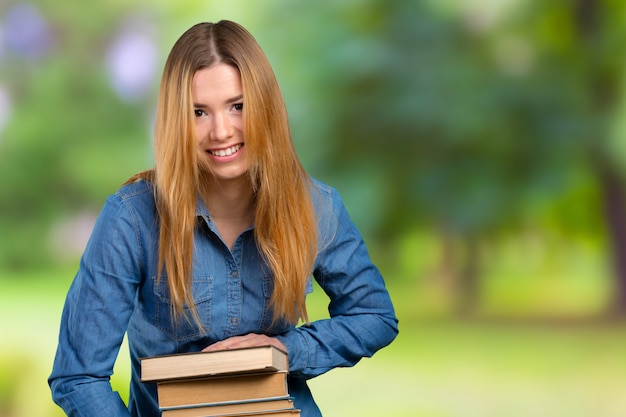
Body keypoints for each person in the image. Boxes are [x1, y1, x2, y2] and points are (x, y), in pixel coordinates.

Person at [48, 20, 398, 417]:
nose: (221, 130)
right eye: (198, 112)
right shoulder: (131, 217)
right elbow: (78, 377)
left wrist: (285, 349)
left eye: (238, 106)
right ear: (176, 120)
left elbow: (374, 315)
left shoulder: (315, 205)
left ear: (265, 106)